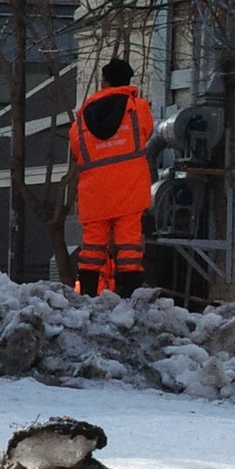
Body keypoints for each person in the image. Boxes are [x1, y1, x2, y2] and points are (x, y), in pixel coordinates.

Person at [66, 58, 153, 296]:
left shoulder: (82, 118)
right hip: (130, 189)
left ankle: (87, 295)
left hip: (95, 192)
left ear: (104, 81)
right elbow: (147, 132)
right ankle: (130, 297)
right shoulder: (139, 108)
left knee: (92, 248)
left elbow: (76, 147)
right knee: (129, 247)